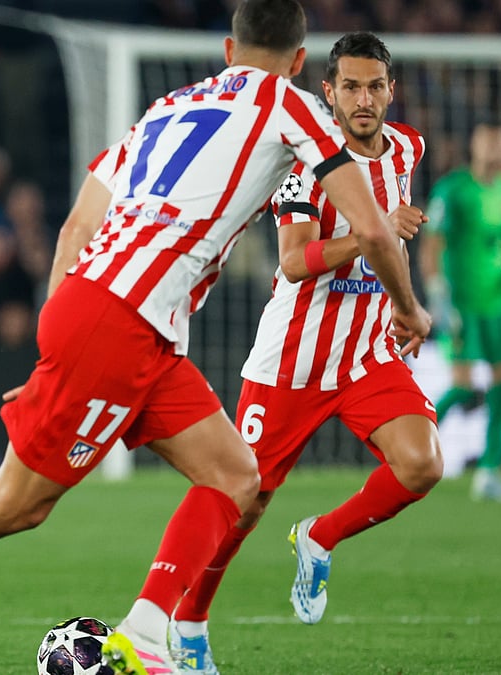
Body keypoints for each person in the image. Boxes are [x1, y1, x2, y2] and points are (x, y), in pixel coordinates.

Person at [0, 2, 432, 674]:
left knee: (235, 474)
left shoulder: (169, 106)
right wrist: (409, 309)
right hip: (121, 318)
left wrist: (57, 344)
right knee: (11, 506)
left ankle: (148, 634)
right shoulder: (297, 107)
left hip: (122, 318)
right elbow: (370, 228)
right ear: (302, 61)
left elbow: (75, 227)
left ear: (228, 50)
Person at [166, 32, 444, 674]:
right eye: (350, 86)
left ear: (390, 90)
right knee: (244, 499)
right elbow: (294, 262)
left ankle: (320, 536)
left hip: (369, 353)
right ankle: (189, 621)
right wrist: (372, 230)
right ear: (328, 91)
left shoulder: (407, 146)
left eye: (375, 86)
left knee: (422, 465)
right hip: (291, 361)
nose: (364, 98)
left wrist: (399, 285)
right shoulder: (305, 165)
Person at [422, 123, 501, 502]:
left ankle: (489, 471)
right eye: (487, 138)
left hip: (498, 304)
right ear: (474, 143)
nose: (495, 145)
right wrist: (436, 296)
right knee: (462, 384)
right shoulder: (454, 189)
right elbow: (432, 245)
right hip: (461, 302)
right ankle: (407, 453)